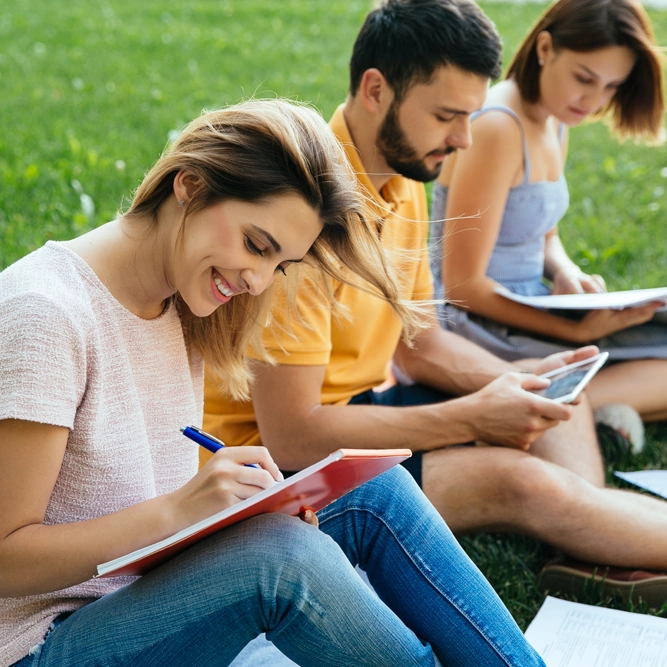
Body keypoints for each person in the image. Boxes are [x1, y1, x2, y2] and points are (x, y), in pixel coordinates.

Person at [0, 99, 546, 667]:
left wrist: (233, 511)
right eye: (257, 245)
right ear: (190, 185)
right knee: (279, 559)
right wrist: (181, 511)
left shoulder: (174, 301)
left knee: (373, 493)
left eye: (280, 264)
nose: (259, 282)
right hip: (40, 644)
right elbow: (5, 558)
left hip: (132, 596)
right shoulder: (46, 314)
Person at [203, 0, 667, 601]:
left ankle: (596, 539)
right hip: (281, 471)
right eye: (448, 115)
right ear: (376, 89)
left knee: (555, 394)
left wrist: (511, 380)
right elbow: (292, 433)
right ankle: (594, 532)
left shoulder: (402, 173)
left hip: (364, 405)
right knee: (521, 481)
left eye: (471, 116)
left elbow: (418, 343)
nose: (464, 139)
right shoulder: (301, 216)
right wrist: (471, 417)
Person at [430, 0, 667, 448]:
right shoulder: (498, 126)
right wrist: (573, 331)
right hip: (475, 323)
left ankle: (575, 409)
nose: (593, 101)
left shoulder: (556, 117)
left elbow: (544, 233)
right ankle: (559, 408)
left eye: (611, 87)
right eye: (584, 78)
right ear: (544, 48)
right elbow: (461, 284)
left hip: (529, 307)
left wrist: (564, 272)